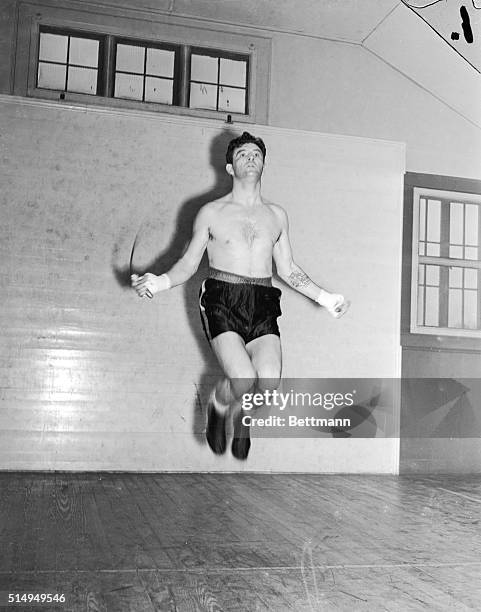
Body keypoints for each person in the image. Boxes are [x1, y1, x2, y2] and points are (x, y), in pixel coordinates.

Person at [132, 132, 349, 460]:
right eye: (243, 154)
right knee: (244, 379)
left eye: (256, 154)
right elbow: (189, 264)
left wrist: (326, 298)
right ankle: (218, 406)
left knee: (269, 382)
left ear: (263, 164)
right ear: (230, 167)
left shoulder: (277, 216)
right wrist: (158, 282)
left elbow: (288, 270)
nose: (250, 158)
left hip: (262, 300)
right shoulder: (211, 212)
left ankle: (243, 418)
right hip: (222, 297)